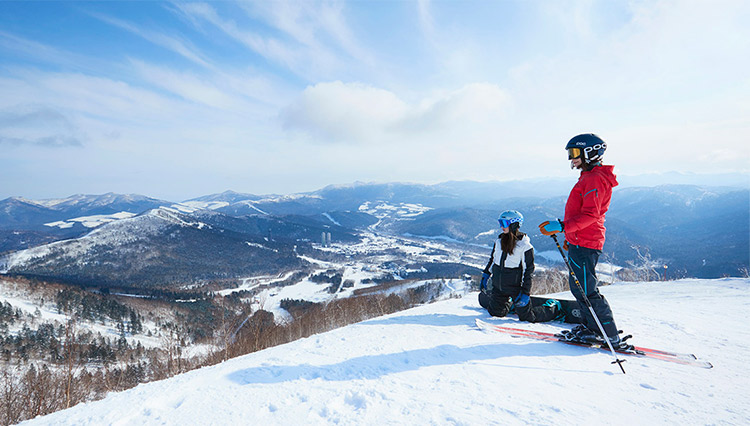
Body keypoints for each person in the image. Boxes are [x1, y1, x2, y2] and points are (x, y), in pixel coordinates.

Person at [538, 133, 627, 348]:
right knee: (579, 288)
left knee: (587, 290)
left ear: (590, 152)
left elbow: (591, 215)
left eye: (575, 153)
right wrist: (570, 236)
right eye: (570, 153)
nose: (571, 158)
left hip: (587, 242)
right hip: (581, 240)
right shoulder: (589, 176)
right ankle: (592, 328)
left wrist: (563, 227)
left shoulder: (594, 178)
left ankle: (608, 334)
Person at [478, 210, 561, 323]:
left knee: (527, 317)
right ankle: (511, 305)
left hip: (515, 288)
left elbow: (529, 271)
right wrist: (486, 274)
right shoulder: (499, 241)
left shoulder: (525, 245)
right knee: (495, 313)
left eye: (504, 223)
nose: (501, 227)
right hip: (498, 287)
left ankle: (553, 308)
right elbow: (492, 259)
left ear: (514, 224)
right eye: (500, 223)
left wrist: (525, 293)